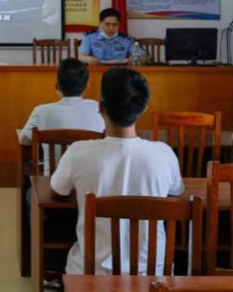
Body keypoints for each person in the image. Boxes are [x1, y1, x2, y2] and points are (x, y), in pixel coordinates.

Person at [50, 67, 183, 275]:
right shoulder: (164, 154)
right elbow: (176, 192)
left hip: (93, 273)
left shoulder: (78, 152)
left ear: (100, 107)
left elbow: (58, 190)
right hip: (153, 274)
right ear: (144, 107)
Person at [19, 58, 103, 145]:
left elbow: (24, 141)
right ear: (87, 85)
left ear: (58, 86)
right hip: (91, 159)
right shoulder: (100, 109)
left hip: (56, 159)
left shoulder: (40, 111)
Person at [78, 8, 143, 65]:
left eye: (114, 25)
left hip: (120, 72)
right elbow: (81, 56)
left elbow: (145, 56)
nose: (111, 28)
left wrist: (136, 59)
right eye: (107, 24)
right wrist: (88, 59)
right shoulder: (89, 38)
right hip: (98, 70)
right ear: (100, 23)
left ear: (118, 24)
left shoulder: (126, 40)